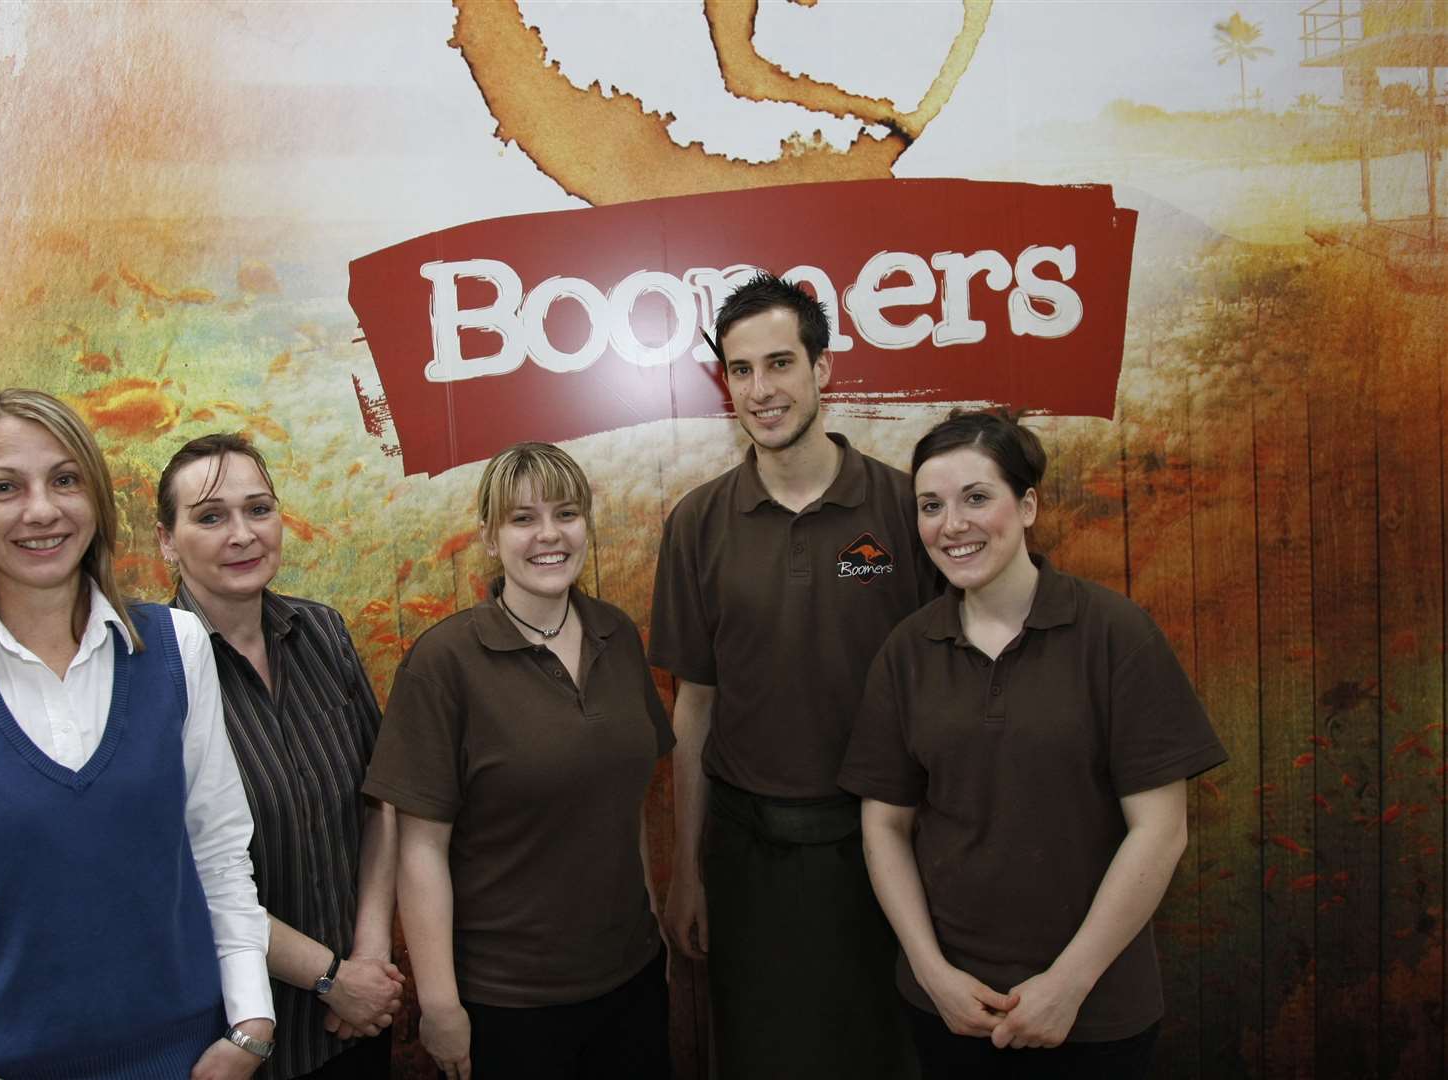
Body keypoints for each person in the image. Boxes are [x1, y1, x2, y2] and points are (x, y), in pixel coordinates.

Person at [0, 389, 275, 1079]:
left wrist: (249, 1022)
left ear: (94, 500)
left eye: (65, 480)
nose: (42, 510)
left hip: (192, 1060)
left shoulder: (176, 646)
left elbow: (217, 848)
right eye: (5, 487)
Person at [838, 410, 1228, 1079]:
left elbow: (1161, 831)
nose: (951, 524)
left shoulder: (1114, 633)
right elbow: (884, 826)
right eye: (931, 506)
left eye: (976, 498)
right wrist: (933, 973)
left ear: (1026, 506)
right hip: (951, 1010)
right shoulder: (907, 650)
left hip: (1096, 1010)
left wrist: (1068, 985)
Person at [650, 272, 939, 1078]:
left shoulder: (903, 508)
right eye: (741, 371)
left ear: (824, 369)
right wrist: (688, 871)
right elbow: (694, 711)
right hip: (749, 857)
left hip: (885, 847)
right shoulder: (698, 523)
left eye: (780, 363)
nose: (761, 390)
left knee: (887, 1054)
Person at [365, 442, 672, 1080]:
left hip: (631, 981)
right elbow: (419, 852)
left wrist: (653, 936)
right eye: (522, 518)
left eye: (566, 513)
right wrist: (441, 1004)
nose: (548, 535)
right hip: (508, 1005)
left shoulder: (616, 636)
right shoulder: (445, 663)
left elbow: (627, 808)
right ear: (488, 536)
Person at [157, 433, 403, 1080]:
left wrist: (368, 959)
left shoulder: (323, 632)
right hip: (240, 1043)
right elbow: (184, 875)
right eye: (210, 517)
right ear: (166, 541)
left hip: (357, 1021)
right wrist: (329, 978)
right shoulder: (153, 675)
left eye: (258, 509)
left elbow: (378, 803)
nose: (242, 534)